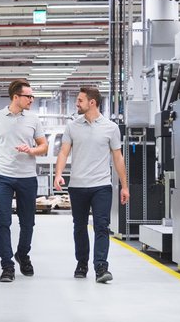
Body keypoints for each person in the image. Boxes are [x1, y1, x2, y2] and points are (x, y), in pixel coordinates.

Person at [53, 86, 129, 283]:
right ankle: (82, 263)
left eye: (80, 100)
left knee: (102, 226)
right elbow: (63, 152)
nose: (77, 104)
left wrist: (124, 186)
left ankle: (101, 267)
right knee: (79, 227)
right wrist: (58, 174)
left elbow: (118, 158)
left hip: (101, 186)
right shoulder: (72, 127)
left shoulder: (111, 128)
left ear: (92, 102)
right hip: (77, 185)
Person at [0, 81, 48, 283]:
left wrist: (31, 150)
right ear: (16, 97)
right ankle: (7, 265)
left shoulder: (33, 120)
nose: (31, 99)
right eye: (28, 96)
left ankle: (22, 255)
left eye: (32, 96)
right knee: (3, 221)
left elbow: (43, 146)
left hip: (27, 178)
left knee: (28, 223)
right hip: (3, 177)